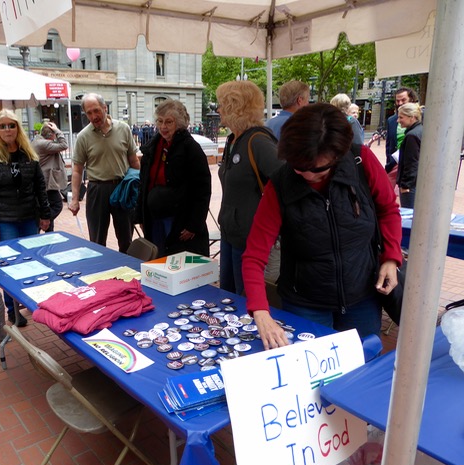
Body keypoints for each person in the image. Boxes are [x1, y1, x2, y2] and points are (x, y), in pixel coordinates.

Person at [242, 103, 403, 350]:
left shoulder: (362, 162)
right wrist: (260, 311)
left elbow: (388, 210)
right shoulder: (281, 185)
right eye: (299, 167)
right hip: (306, 301)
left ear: (339, 154)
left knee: (362, 367)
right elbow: (254, 255)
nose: (307, 175)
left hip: (362, 295)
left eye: (318, 169)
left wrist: (390, 257)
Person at [0, 109, 51, 326]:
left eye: (11, 125)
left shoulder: (28, 154)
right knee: (9, 266)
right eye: (2, 126)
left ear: (18, 128)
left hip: (29, 217)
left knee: (33, 262)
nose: (7, 129)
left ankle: (31, 303)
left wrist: (45, 215)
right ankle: (13, 310)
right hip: (5, 220)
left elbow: (40, 187)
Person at [216, 80, 283, 295]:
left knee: (245, 299)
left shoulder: (258, 141)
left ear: (235, 107)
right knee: (229, 296)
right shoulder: (234, 139)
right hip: (230, 234)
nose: (218, 109)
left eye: (221, 104)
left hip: (249, 238)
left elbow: (286, 181)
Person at [134, 99, 211, 257]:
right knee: (158, 260)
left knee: (176, 261)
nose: (163, 127)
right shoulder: (153, 146)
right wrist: (141, 215)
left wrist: (193, 225)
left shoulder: (191, 149)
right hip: (154, 218)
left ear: (180, 123)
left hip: (179, 219)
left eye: (169, 122)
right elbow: (144, 183)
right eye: (160, 121)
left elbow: (202, 188)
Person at [69, 93, 139, 253]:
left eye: (96, 110)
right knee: (97, 240)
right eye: (89, 113)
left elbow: (134, 161)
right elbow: (77, 170)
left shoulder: (123, 128)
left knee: (126, 237)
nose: (94, 116)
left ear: (105, 108)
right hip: (97, 190)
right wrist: (74, 199)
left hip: (122, 188)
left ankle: (127, 272)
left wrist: (138, 188)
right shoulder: (83, 136)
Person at [31, 121, 68, 231]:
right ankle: (41, 221)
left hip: (43, 181)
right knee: (57, 205)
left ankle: (46, 225)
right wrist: (57, 130)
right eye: (54, 135)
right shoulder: (43, 144)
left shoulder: (37, 141)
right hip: (46, 182)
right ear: (50, 136)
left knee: (46, 207)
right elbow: (64, 145)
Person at [385, 87, 419, 172]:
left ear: (411, 99)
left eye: (403, 100)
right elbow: (389, 145)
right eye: (397, 101)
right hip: (395, 165)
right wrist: (390, 162)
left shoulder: (421, 118)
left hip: (413, 164)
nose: (400, 103)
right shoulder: (391, 120)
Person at [396, 102, 423, 208]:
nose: (398, 121)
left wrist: (406, 185)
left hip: (411, 186)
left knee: (409, 214)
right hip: (416, 182)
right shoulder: (420, 131)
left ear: (412, 117)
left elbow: (411, 163)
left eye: (401, 117)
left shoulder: (412, 136)